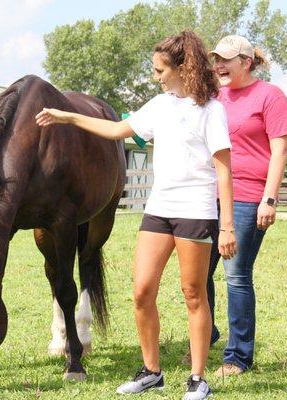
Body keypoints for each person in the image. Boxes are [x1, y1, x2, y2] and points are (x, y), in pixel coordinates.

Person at [36, 31, 237, 400]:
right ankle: (151, 371)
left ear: (182, 68)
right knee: (142, 291)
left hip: (195, 210)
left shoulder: (211, 110)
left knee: (193, 294)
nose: (156, 75)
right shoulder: (160, 106)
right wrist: (68, 117)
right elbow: (115, 129)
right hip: (159, 209)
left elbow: (224, 169)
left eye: (160, 69)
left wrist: (226, 226)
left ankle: (197, 379)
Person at [204, 35, 287, 377]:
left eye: (227, 59)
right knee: (198, 274)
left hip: (247, 196)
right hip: (208, 196)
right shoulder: (214, 97)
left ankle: (238, 356)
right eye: (217, 60)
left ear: (246, 62)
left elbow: (280, 151)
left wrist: (268, 199)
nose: (219, 66)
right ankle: (207, 333)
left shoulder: (270, 96)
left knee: (236, 276)